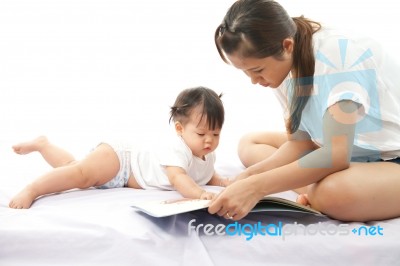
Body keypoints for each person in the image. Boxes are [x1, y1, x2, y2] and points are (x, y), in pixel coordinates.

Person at [208, 0, 400, 222]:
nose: (253, 80)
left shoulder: (338, 58)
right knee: (250, 144)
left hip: (389, 159)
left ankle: (321, 190)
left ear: (287, 45)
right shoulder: (284, 65)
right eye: (246, 72)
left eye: (257, 70)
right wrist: (249, 176)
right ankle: (318, 186)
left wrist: (257, 187)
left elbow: (335, 155)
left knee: (333, 193)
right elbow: (301, 142)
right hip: (347, 152)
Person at [9, 86, 229, 209]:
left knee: (72, 168)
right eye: (201, 134)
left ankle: (43, 144)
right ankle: (33, 189)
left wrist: (224, 182)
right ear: (180, 129)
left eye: (216, 133)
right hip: (121, 160)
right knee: (80, 174)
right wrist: (199, 194)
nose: (209, 140)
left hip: (124, 178)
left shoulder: (206, 152)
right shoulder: (177, 147)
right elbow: (179, 178)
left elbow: (207, 174)